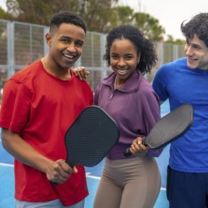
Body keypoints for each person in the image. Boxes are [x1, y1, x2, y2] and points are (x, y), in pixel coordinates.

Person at [0, 11, 93, 207]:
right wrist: (48, 166)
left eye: (78, 43)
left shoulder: (82, 85)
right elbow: (8, 138)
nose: (72, 48)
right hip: (37, 194)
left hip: (76, 190)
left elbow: (85, 133)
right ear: (49, 39)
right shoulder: (21, 84)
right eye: (65, 40)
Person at [152, 12, 208, 208]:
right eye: (188, 43)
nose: (187, 51)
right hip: (182, 174)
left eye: (196, 47)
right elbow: (146, 106)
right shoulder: (168, 73)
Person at [74, 25, 162, 208]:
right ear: (109, 56)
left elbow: (158, 143)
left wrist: (144, 147)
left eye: (128, 57)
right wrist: (75, 80)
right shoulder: (103, 86)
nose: (121, 63)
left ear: (138, 57)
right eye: (115, 56)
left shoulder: (144, 93)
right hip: (109, 170)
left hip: (139, 172)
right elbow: (92, 120)